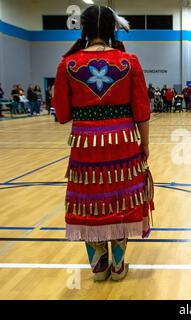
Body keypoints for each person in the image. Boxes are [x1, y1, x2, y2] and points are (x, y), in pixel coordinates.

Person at [52, 5, 154, 282]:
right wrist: (144, 144)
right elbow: (141, 110)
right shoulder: (129, 61)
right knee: (121, 198)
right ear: (112, 29)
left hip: (85, 146)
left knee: (90, 201)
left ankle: (98, 268)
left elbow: (61, 114)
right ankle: (119, 267)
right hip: (122, 143)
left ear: (84, 29)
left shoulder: (68, 64)